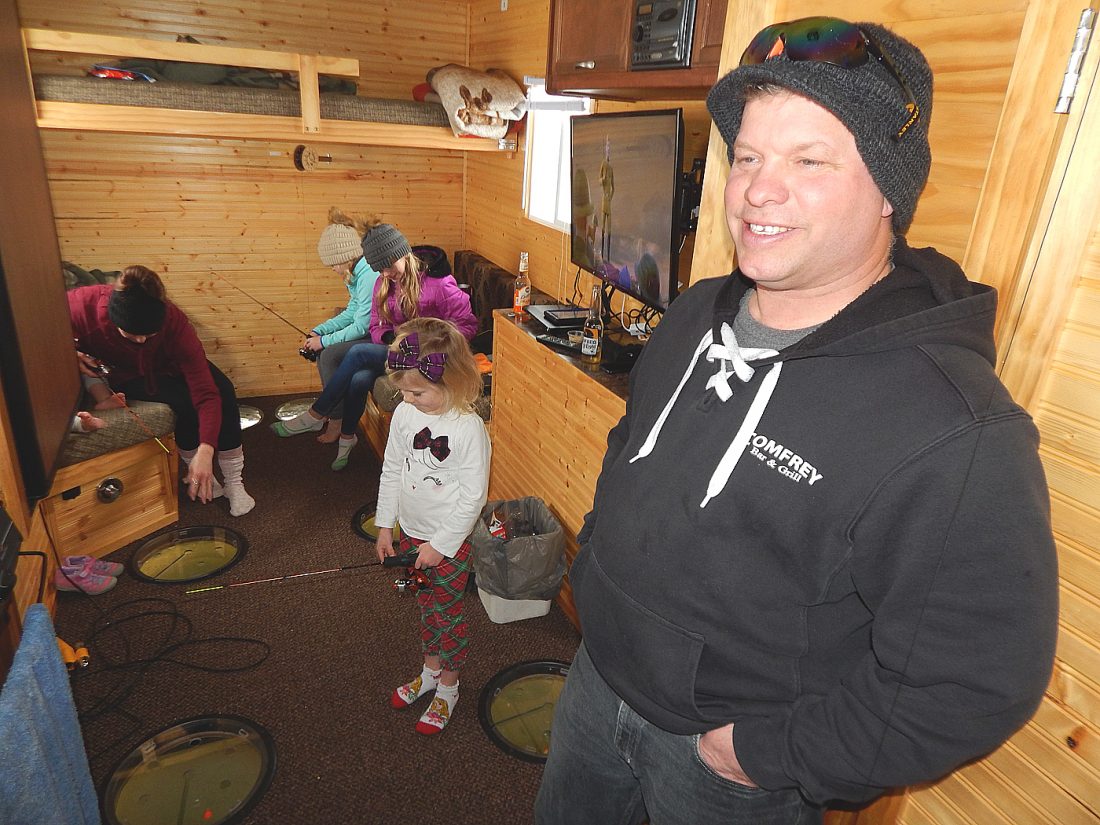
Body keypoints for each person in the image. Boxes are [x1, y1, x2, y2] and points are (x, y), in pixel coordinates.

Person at [536, 16, 1058, 825]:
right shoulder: (694, 313)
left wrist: (764, 753)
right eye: (748, 156)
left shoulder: (955, 427)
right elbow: (630, 448)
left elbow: (974, 678)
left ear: (889, 191)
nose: (758, 189)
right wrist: (596, 575)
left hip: (726, 767)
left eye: (809, 161)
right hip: (598, 678)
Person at [272, 223, 477, 471]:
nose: (386, 273)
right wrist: (391, 337)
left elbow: (467, 325)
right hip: (400, 351)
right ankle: (347, 438)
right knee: (359, 379)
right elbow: (375, 324)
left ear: (403, 254)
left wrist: (433, 343)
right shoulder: (383, 282)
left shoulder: (439, 283)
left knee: (358, 352)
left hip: (430, 356)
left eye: (389, 266)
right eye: (380, 269)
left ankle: (317, 413)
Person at [373, 317, 490, 735]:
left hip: (449, 544)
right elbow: (391, 469)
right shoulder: (405, 414)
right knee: (425, 604)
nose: (406, 399)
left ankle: (449, 688)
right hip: (411, 533)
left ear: (451, 381)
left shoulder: (468, 429)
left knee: (448, 614)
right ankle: (429, 673)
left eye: (417, 392)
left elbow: (473, 498)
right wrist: (384, 525)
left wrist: (440, 545)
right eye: (403, 391)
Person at [69, 265, 256, 516]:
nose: (141, 341)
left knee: (223, 391)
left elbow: (206, 392)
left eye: (149, 334)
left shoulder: (176, 322)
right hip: (130, 375)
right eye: (132, 335)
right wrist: (71, 351)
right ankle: (199, 473)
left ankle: (234, 482)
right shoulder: (82, 305)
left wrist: (207, 449)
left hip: (170, 363)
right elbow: (39, 325)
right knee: (184, 402)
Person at [303, 207, 380, 442]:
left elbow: (362, 326)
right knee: (324, 351)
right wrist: (321, 330)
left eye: (334, 264)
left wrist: (324, 341)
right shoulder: (355, 273)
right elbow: (352, 312)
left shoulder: (369, 275)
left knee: (328, 354)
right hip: (369, 330)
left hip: (379, 334)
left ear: (346, 256)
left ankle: (335, 420)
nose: (333, 269)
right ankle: (334, 415)